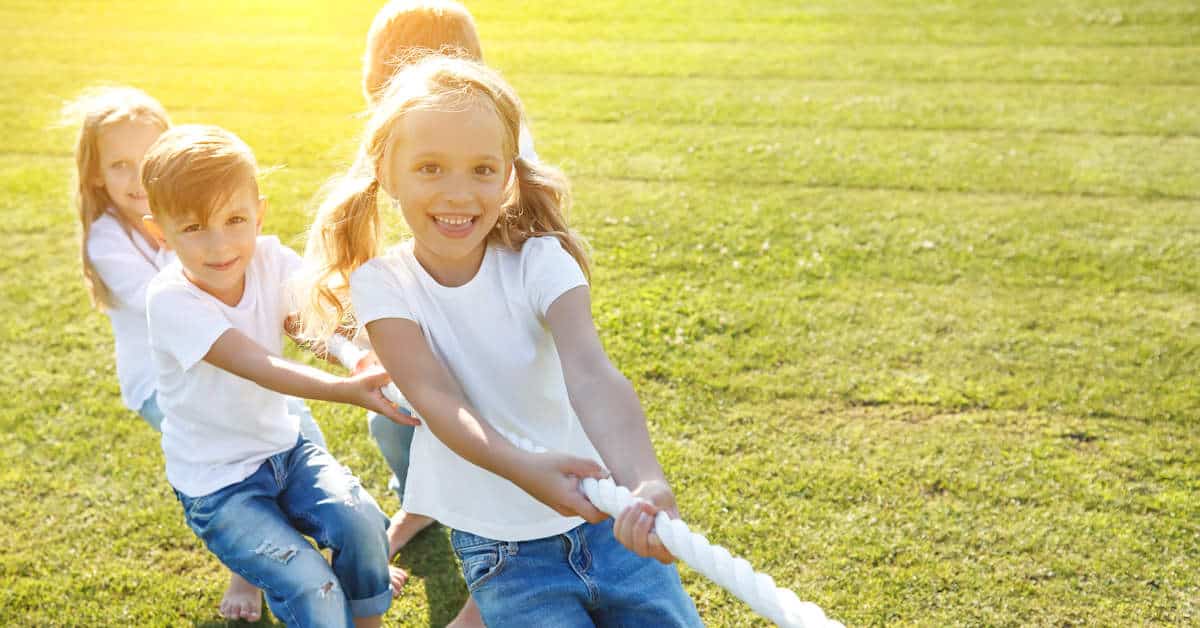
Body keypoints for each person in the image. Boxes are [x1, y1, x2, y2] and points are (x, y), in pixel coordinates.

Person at [300, 56, 702, 627]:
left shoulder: (539, 262)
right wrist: (522, 468)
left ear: (509, 175)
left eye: (482, 170)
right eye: (431, 168)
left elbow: (592, 373)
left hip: (605, 524)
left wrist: (645, 479)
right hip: (503, 550)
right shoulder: (384, 287)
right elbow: (438, 401)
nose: (459, 194)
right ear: (386, 171)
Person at [63, 86, 327, 622]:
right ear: (96, 176)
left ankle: (342, 537)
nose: (138, 179)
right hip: (166, 382)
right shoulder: (108, 240)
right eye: (120, 166)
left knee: (297, 432)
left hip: (232, 364)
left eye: (148, 160)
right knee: (236, 459)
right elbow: (167, 301)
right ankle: (250, 571)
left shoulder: (193, 219)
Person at [140, 124, 410, 627]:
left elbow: (303, 325)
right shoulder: (170, 299)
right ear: (159, 231)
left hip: (284, 450)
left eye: (235, 219)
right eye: (194, 228)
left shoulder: (268, 259)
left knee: (362, 522)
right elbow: (258, 365)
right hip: (219, 485)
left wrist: (355, 358)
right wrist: (348, 390)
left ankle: (367, 618)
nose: (220, 245)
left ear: (259, 212)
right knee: (314, 587)